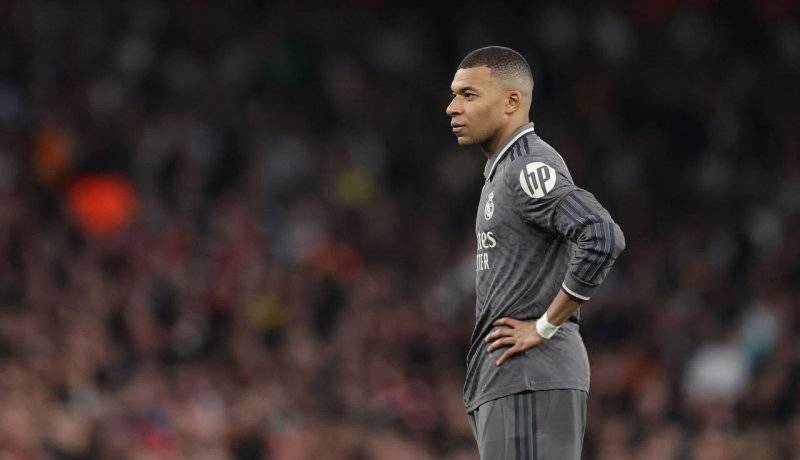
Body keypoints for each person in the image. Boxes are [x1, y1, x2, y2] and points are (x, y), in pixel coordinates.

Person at [446, 46, 626, 459]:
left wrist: (544, 326)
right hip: (511, 381)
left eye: (469, 95)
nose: (452, 107)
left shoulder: (527, 166)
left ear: (512, 102)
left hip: (530, 377)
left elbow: (601, 235)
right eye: (454, 94)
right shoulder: (501, 172)